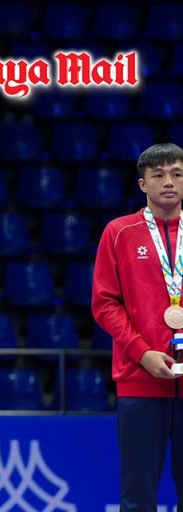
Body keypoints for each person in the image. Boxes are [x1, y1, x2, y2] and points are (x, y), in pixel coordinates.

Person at [93, 142, 183, 510]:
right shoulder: (119, 232)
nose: (169, 182)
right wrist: (142, 353)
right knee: (137, 498)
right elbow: (104, 303)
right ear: (142, 184)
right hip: (140, 379)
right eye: (158, 175)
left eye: (177, 174)